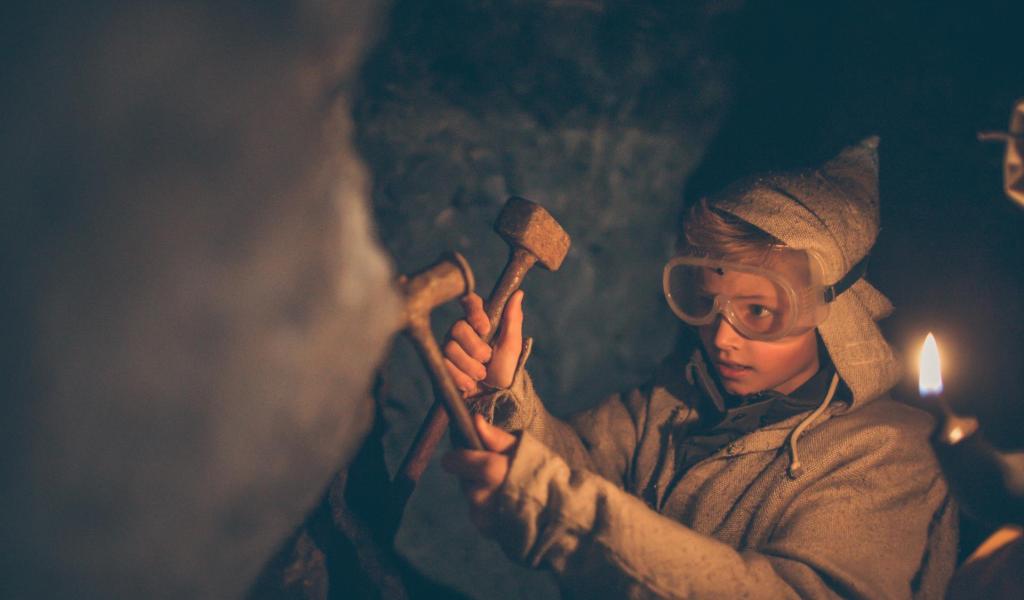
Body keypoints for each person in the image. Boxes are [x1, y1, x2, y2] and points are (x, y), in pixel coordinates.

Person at [441, 137, 957, 598]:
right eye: (707, 302)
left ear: (832, 313)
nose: (722, 338)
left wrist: (561, 511)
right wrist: (506, 394)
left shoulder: (890, 455)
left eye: (759, 311)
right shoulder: (674, 400)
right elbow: (580, 470)